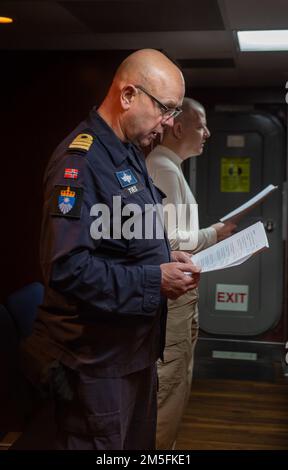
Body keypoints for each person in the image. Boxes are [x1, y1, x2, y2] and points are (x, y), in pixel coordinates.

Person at [21, 50, 201, 451]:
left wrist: (163, 259)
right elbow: (67, 269)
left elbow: (121, 238)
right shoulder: (80, 163)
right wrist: (154, 279)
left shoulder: (129, 154)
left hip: (133, 355)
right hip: (97, 366)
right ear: (127, 95)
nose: (170, 123)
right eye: (166, 110)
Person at [146, 97, 236, 449]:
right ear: (178, 128)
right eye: (200, 125)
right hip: (172, 302)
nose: (207, 133)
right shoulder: (163, 166)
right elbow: (175, 240)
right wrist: (216, 233)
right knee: (167, 387)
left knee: (176, 383)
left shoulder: (169, 165)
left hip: (182, 298)